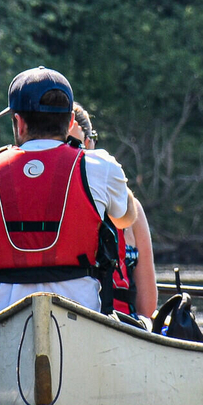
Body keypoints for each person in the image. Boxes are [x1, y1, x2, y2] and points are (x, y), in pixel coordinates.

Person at [0, 67, 158, 323]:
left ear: (19, 123)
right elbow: (124, 218)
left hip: (0, 323)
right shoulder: (101, 167)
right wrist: (109, 172)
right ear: (71, 122)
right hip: (81, 323)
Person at [66, 102, 158, 323]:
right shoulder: (131, 208)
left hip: (69, 321)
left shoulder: (50, 203)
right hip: (123, 326)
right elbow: (147, 306)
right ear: (88, 143)